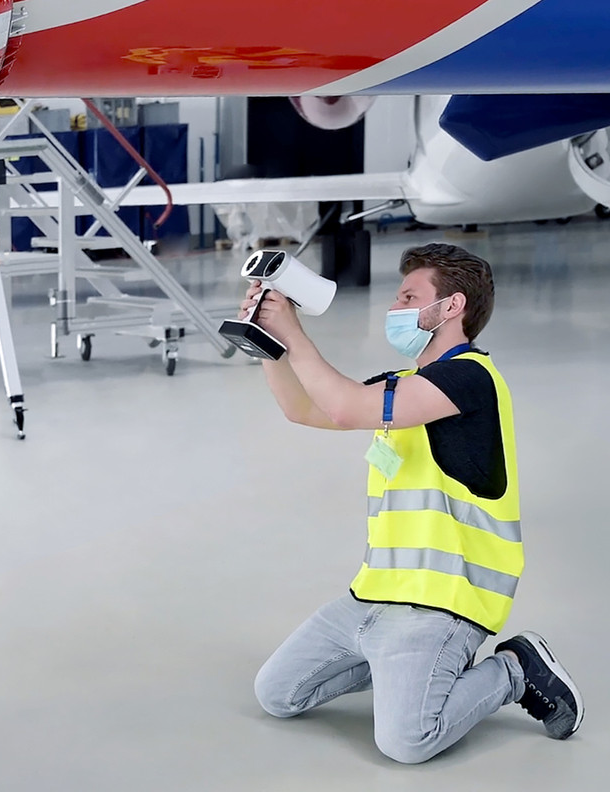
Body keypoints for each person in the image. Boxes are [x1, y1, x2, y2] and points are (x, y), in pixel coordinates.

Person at [244, 242, 583, 764]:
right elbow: (304, 408)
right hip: (371, 596)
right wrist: (268, 341)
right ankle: (406, 673)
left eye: (408, 297)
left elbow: (344, 408)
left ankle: (515, 669)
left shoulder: (470, 378)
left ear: (452, 307)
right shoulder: (403, 385)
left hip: (441, 605)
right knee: (277, 694)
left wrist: (294, 333)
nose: (395, 307)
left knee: (406, 741)